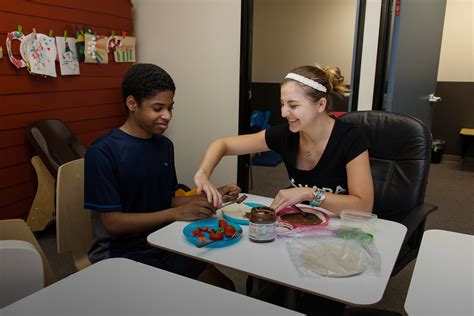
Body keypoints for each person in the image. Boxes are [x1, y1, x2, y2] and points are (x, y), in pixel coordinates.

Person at [84, 63, 239, 288]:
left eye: (170, 107)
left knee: (224, 287)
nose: (167, 115)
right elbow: (112, 224)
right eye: (158, 108)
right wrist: (176, 213)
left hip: (162, 241)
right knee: (178, 300)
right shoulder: (103, 152)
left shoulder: (164, 146)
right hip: (121, 252)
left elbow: (164, 198)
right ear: (132, 104)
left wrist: (210, 197)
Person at [195, 64, 374, 215]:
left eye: (293, 105)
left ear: (321, 104)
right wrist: (203, 173)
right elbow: (223, 144)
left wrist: (309, 194)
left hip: (343, 228)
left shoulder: (350, 138)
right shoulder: (285, 135)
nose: (283, 113)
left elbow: (364, 206)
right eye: (282, 104)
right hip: (303, 223)